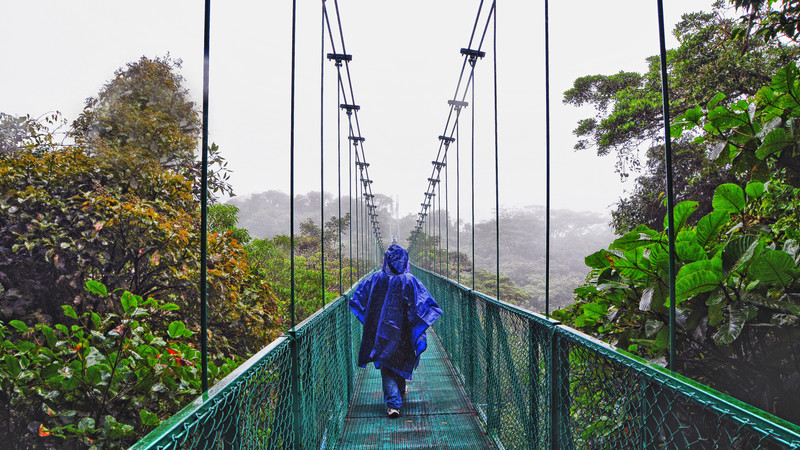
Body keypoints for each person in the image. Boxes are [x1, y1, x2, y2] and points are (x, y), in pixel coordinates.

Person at [349, 242, 443, 418]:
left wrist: (370, 317)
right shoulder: (410, 280)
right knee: (398, 360)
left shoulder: (376, 278)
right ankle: (394, 403)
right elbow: (425, 305)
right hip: (404, 332)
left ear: (386, 260)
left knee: (388, 363)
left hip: (382, 331)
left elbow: (357, 299)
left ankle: (396, 398)